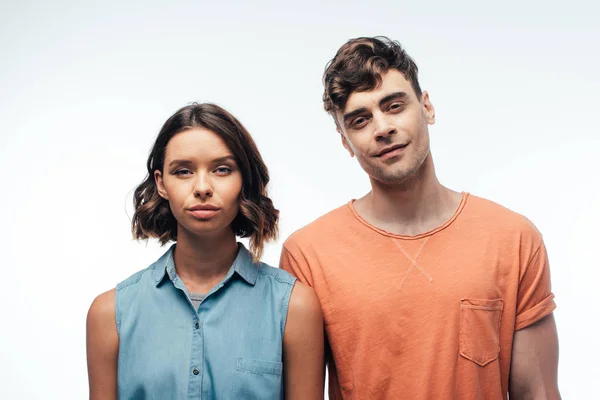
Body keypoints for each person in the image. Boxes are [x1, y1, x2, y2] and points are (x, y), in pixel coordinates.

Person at [280, 36, 560, 399]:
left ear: (426, 106)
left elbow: (539, 392)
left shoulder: (514, 239)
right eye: (360, 120)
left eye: (394, 105)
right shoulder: (308, 255)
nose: (382, 128)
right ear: (344, 141)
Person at [86, 103, 324, 399]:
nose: (202, 187)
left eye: (222, 169)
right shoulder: (110, 314)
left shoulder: (295, 307)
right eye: (183, 171)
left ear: (244, 181)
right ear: (161, 183)